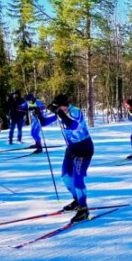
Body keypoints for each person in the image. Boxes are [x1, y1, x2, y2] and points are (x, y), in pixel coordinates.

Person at [41, 95, 94, 223]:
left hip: (83, 149)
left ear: (64, 104)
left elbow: (73, 125)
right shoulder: (61, 112)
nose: (58, 109)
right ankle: (77, 201)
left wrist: (59, 112)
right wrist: (39, 114)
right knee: (65, 177)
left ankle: (83, 210)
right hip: (71, 150)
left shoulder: (75, 111)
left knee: (77, 179)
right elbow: (44, 123)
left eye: (59, 107)